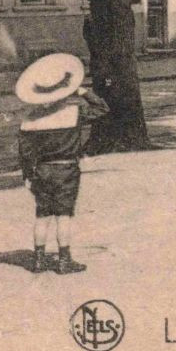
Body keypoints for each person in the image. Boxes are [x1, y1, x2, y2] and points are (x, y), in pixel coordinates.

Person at [14, 54, 107, 274]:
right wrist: (83, 91)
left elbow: (25, 153)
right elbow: (102, 109)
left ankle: (38, 260)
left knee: (42, 215)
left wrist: (27, 176)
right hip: (66, 169)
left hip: (40, 171)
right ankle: (64, 261)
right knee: (63, 215)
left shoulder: (30, 120)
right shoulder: (73, 112)